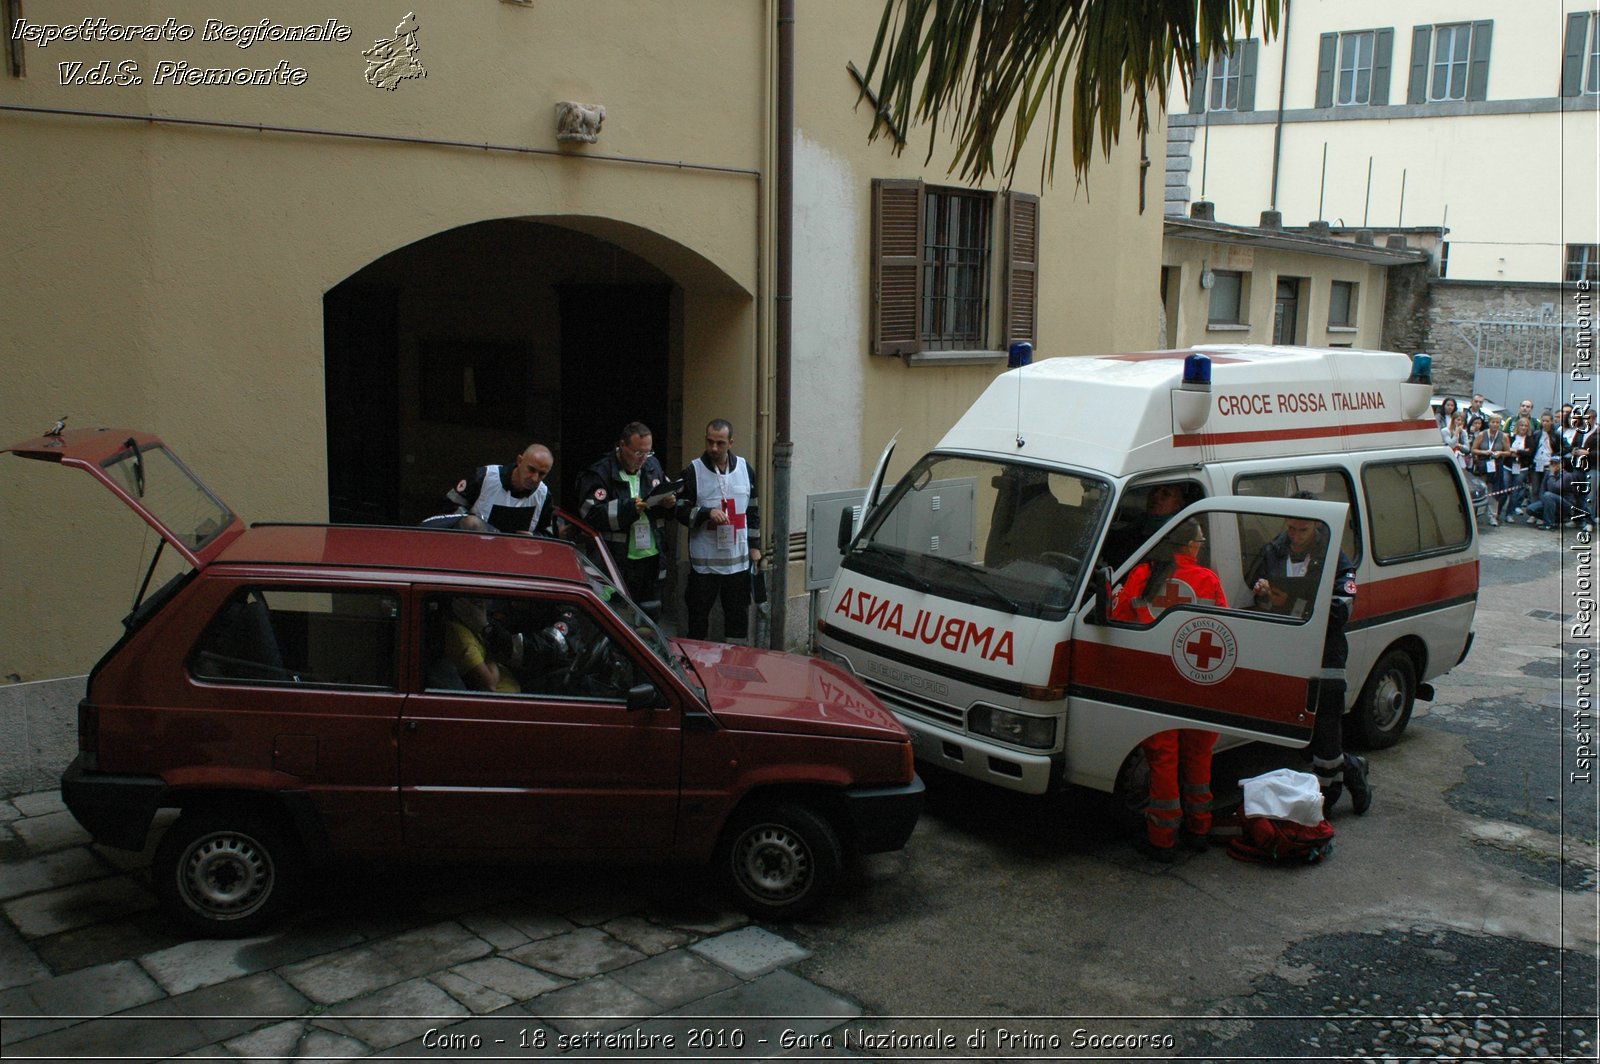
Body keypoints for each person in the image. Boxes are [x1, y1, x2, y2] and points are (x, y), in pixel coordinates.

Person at [1247, 504, 1372, 816]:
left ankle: (1329, 793)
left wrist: (1292, 601)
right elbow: (1258, 592)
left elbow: (1341, 609)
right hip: (1288, 646)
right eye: (1291, 528)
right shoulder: (1273, 551)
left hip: (1326, 649)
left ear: (1317, 528)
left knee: (1328, 721)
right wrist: (1263, 593)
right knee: (1302, 726)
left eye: (1302, 530)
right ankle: (1352, 766)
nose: (1295, 535)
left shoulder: (1335, 558)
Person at [1111, 518, 1222, 862]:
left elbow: (1118, 618)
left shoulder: (1144, 575)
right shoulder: (1208, 580)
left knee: (1163, 757)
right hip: (1198, 679)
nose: (1200, 547)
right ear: (1189, 546)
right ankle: (1200, 829)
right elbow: (1226, 627)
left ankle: (1161, 838)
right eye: (1199, 542)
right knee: (1199, 754)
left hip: (1156, 681)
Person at [575, 422, 677, 614]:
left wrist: (670, 503)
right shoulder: (600, 472)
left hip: (652, 559)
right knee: (616, 616)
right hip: (616, 562)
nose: (644, 459)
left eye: (648, 452)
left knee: (650, 614)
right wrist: (629, 508)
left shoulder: (653, 467)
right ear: (622, 445)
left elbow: (667, 494)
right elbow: (589, 514)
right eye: (639, 453)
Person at [676, 419, 762, 642]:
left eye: (720, 443)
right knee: (698, 618)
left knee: (737, 619)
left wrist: (755, 547)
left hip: (738, 563)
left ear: (730, 442)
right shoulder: (693, 471)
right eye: (710, 442)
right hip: (705, 565)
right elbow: (680, 510)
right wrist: (705, 512)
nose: (714, 448)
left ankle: (736, 662)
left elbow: (752, 511)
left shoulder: (745, 469)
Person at [427, 443, 555, 535]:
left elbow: (549, 534)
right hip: (471, 549)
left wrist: (534, 538)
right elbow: (449, 506)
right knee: (472, 523)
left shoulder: (544, 496)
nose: (534, 478)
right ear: (519, 461)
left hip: (517, 558)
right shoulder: (484, 476)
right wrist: (478, 525)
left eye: (542, 474)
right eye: (531, 469)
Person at [1469, 414, 1511, 526]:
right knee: (1480, 489)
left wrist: (1500, 453)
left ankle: (1493, 516)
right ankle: (1475, 516)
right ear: (1489, 423)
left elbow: (1508, 452)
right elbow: (1473, 449)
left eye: (1497, 422)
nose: (1495, 424)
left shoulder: (1503, 436)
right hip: (1483, 465)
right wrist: (1483, 452)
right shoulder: (1482, 435)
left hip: (1496, 465)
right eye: (1493, 422)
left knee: (1494, 491)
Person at [1522, 455, 1578, 530]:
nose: (1554, 466)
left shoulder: (1567, 475)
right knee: (1530, 509)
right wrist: (1543, 501)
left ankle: (1549, 524)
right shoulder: (1548, 474)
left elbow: (1556, 488)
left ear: (1562, 464)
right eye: (1552, 464)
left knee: (1548, 495)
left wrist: (1552, 475)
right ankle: (1553, 520)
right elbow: (1542, 488)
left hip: (1566, 504)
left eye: (1556, 464)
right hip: (1549, 501)